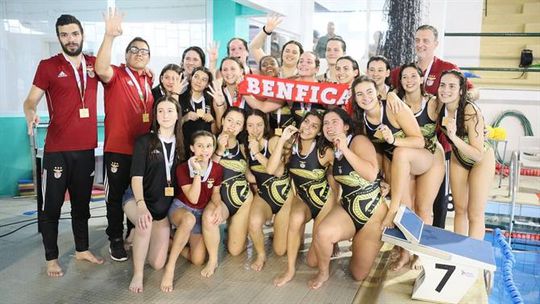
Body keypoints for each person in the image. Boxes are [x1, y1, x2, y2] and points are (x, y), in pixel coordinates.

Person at [23, 14, 104, 277]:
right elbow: (30, 101)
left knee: (82, 205)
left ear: (82, 34)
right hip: (57, 149)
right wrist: (30, 113)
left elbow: (116, 74)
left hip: (86, 149)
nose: (70, 39)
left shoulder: (93, 64)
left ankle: (82, 249)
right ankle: (51, 258)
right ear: (59, 38)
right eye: (64, 35)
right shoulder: (48, 66)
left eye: (74, 33)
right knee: (53, 206)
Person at [390, 25, 477, 229]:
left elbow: (472, 90)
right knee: (408, 202)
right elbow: (387, 90)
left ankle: (429, 244)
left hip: (440, 145)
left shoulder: (447, 67)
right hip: (411, 146)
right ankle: (406, 246)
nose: (421, 44)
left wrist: (461, 100)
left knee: (435, 202)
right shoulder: (404, 70)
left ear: (436, 44)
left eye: (426, 40)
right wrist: (390, 93)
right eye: (418, 40)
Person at [95, 8, 159, 261]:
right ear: (126, 54)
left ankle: (134, 233)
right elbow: (100, 68)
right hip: (118, 149)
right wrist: (109, 36)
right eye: (135, 50)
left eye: (144, 52)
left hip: (142, 152)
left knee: (137, 195)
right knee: (114, 197)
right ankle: (115, 238)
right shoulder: (117, 74)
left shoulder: (147, 80)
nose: (140, 55)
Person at [308, 108, 388, 289]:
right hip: (349, 209)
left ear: (345, 126)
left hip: (372, 214)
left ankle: (366, 242)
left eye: (334, 121)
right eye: (325, 123)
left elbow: (370, 173)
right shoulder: (332, 150)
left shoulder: (358, 140)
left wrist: (345, 148)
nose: (329, 126)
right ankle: (323, 273)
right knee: (323, 233)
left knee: (358, 274)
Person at [267, 111, 335, 287]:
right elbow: (271, 170)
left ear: (319, 132)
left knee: (313, 262)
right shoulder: (291, 146)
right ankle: (289, 270)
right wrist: (282, 141)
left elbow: (344, 172)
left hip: (324, 202)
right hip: (303, 199)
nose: (308, 127)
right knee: (295, 219)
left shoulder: (324, 151)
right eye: (306, 122)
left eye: (314, 126)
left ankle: (327, 259)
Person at [124, 95, 183, 293]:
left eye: (169, 111)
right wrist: (140, 205)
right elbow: (136, 178)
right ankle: (138, 273)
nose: (164, 115)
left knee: (157, 264)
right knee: (144, 222)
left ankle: (139, 240)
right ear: (155, 115)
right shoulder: (145, 141)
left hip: (162, 207)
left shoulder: (182, 145)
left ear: (177, 115)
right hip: (137, 198)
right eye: (160, 111)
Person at [161, 130, 223, 292]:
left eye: (209, 146)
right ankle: (170, 267)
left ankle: (170, 243)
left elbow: (215, 193)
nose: (205, 150)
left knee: (197, 260)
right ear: (192, 148)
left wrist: (218, 207)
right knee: (189, 219)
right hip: (181, 209)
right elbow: (193, 198)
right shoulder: (182, 168)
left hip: (199, 213)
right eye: (200, 146)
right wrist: (197, 172)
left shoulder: (216, 169)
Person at [437, 70, 495, 240]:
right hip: (459, 157)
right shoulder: (439, 105)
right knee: (460, 209)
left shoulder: (470, 111)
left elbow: (477, 154)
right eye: (442, 85)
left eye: (452, 86)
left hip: (481, 160)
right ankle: (459, 254)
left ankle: (473, 257)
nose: (446, 90)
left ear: (461, 90)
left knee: (475, 213)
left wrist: (454, 137)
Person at [201, 107, 254, 277]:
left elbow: (249, 175)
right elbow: (205, 172)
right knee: (211, 218)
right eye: (230, 120)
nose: (232, 126)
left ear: (242, 128)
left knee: (235, 250)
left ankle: (236, 232)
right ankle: (213, 260)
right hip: (219, 200)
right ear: (222, 120)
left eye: (238, 123)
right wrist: (220, 151)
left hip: (242, 200)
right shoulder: (209, 142)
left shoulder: (243, 147)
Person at [245, 110, 292, 271]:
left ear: (265, 125)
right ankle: (261, 255)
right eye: (250, 125)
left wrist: (257, 152)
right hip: (264, 194)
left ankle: (287, 230)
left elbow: (277, 171)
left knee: (280, 251)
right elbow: (249, 175)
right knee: (254, 222)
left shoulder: (273, 142)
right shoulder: (246, 146)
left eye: (259, 125)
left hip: (284, 196)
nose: (255, 129)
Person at [244, 55, 294, 131]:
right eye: (264, 65)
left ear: (279, 68)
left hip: (285, 132)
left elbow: (263, 108)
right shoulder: (255, 88)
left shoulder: (285, 86)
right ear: (260, 71)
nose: (269, 66)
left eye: (272, 63)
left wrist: (243, 91)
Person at [178, 66, 216, 159]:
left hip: (205, 150)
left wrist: (213, 121)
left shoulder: (211, 101)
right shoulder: (180, 98)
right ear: (191, 78)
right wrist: (185, 118)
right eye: (196, 77)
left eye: (203, 79)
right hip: (185, 147)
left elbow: (216, 130)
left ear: (207, 84)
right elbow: (173, 126)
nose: (198, 81)